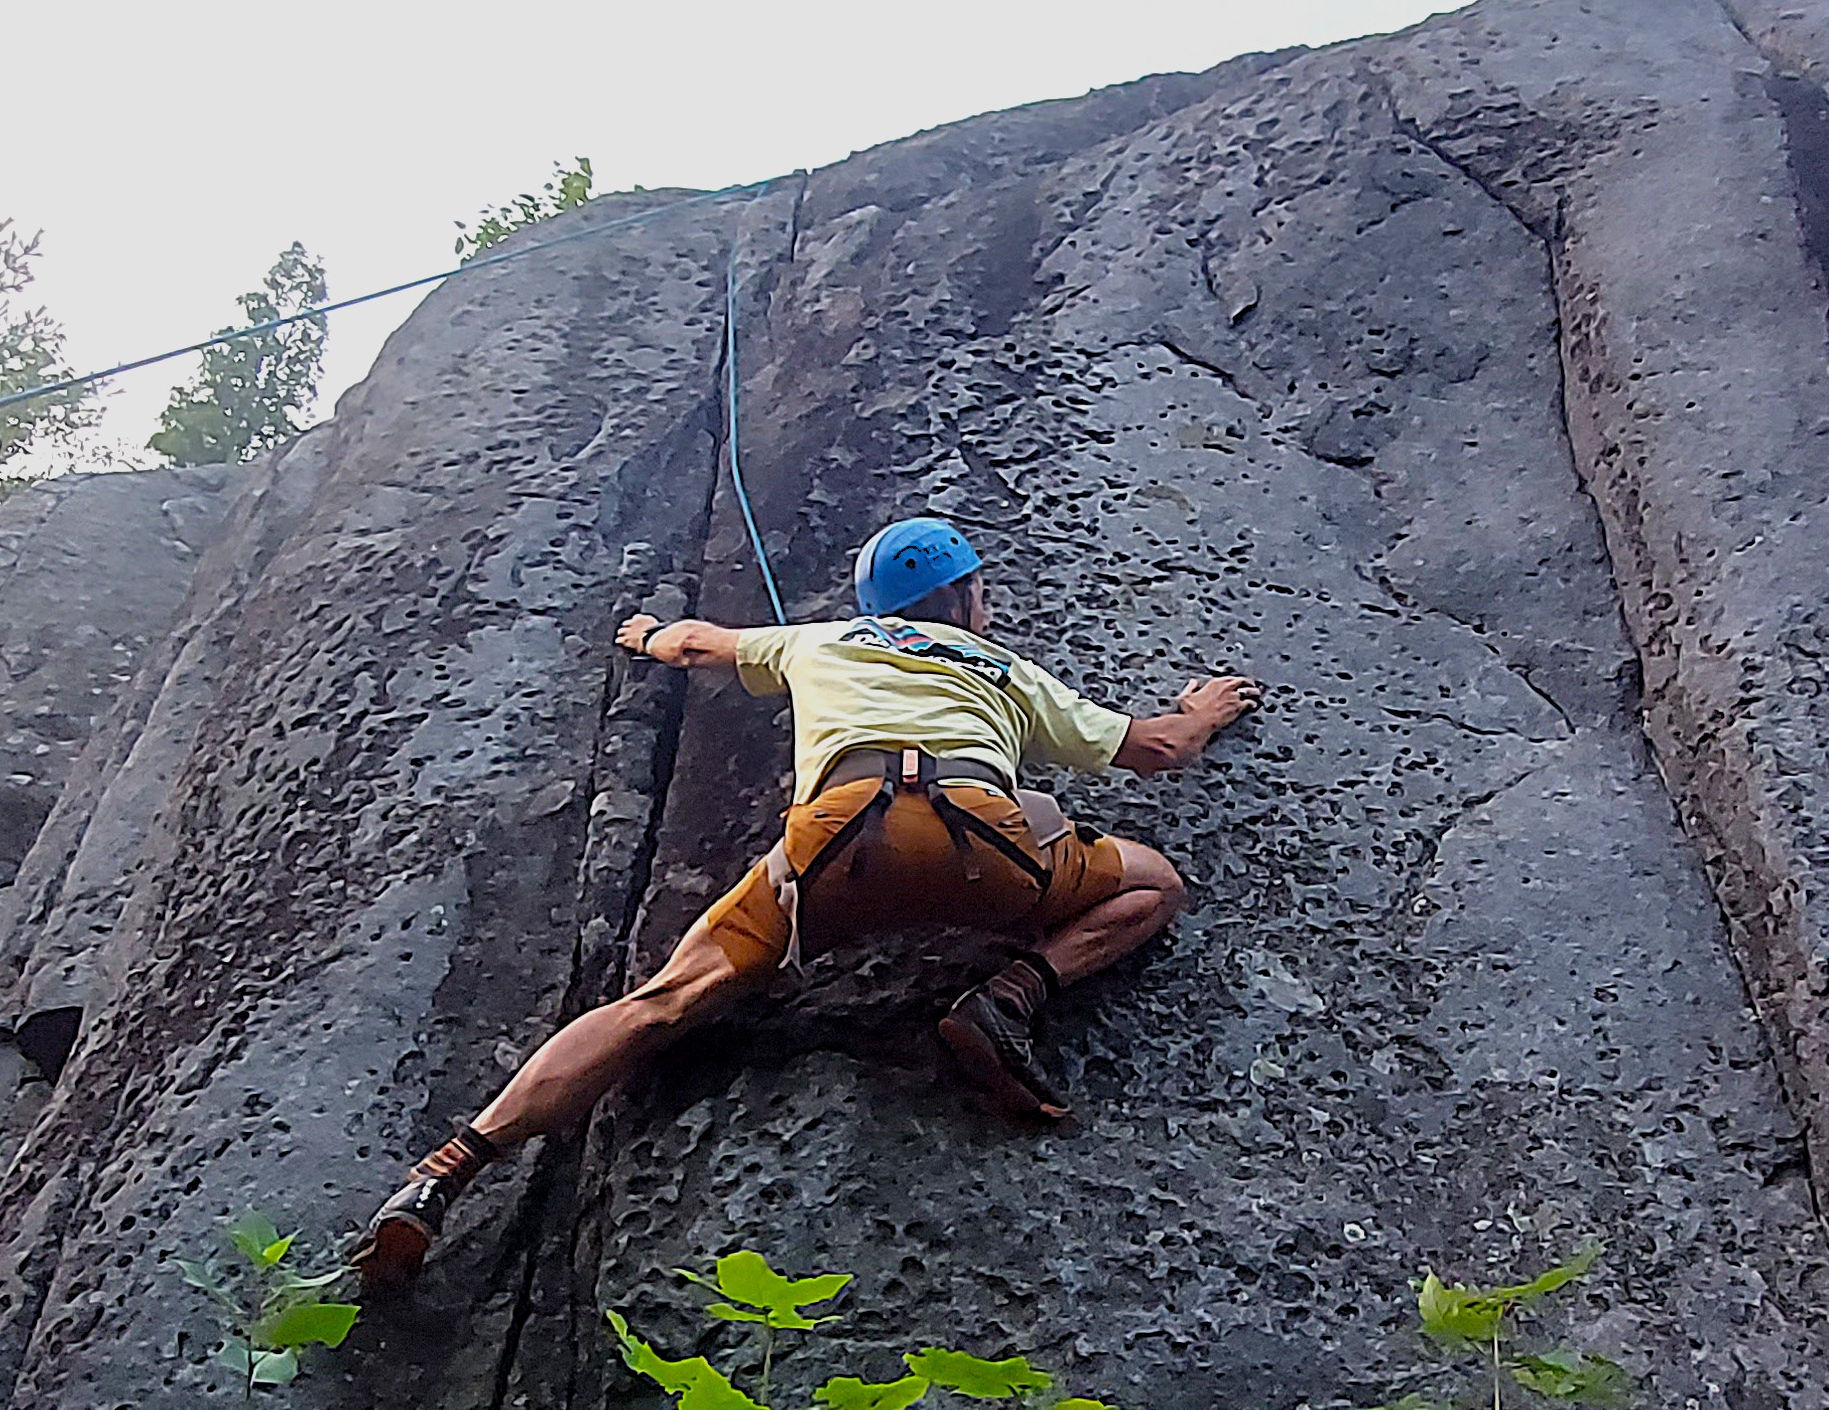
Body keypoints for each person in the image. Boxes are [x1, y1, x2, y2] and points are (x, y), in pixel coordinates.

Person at [348, 515, 1259, 1287]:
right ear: (962, 598)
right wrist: (1203, 710)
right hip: (984, 845)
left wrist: (647, 635)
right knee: (1155, 883)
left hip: (834, 851)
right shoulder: (1001, 668)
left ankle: (444, 1174)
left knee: (659, 1002)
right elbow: (1157, 749)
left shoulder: (820, 641)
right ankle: (1008, 997)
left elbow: (698, 645)